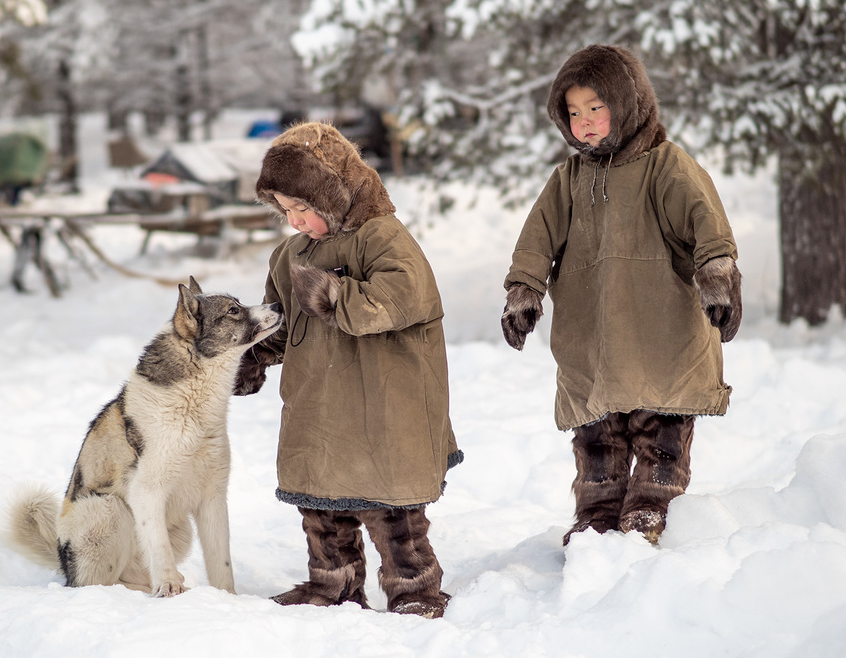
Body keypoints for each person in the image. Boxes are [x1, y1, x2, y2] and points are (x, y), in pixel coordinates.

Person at [500, 44, 742, 546]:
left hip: (660, 334)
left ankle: (653, 502)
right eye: (573, 112)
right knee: (597, 436)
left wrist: (717, 273)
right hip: (593, 339)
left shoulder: (665, 165)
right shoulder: (567, 180)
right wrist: (523, 290)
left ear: (627, 103)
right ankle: (598, 511)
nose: (584, 122)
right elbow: (536, 239)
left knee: (661, 434)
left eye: (596, 107)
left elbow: (705, 221)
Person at [235, 121, 462, 618]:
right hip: (317, 404)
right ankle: (332, 584)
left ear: (334, 194)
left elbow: (406, 296)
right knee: (320, 506)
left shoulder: (382, 236)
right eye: (285, 210)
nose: (295, 221)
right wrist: (251, 354)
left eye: (304, 208)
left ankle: (414, 588)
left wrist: (338, 296)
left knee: (392, 510)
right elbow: (280, 320)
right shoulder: (289, 255)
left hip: (383, 400)